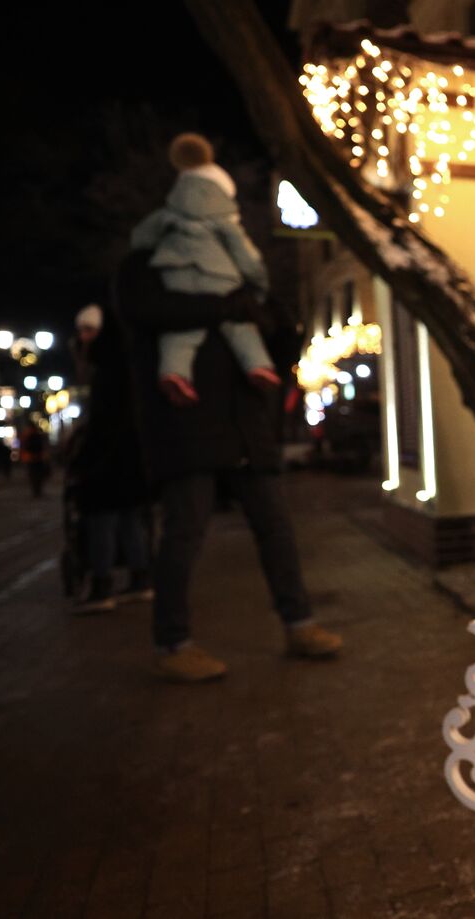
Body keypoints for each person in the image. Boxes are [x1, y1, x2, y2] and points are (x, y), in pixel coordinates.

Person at [116, 137, 341, 683]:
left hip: (246, 422)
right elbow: (144, 312)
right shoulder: (147, 259)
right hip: (187, 420)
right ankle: (173, 643)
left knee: (276, 527)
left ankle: (299, 623)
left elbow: (277, 349)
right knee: (185, 531)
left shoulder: (242, 270)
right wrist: (223, 305)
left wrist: (277, 326)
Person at [128, 133, 279, 406]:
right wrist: (259, 284)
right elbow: (245, 255)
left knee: (181, 330)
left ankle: (174, 373)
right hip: (218, 275)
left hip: (174, 271)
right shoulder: (224, 219)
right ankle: (258, 366)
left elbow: (141, 236)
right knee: (238, 324)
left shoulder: (170, 211)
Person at [65, 303, 154, 614]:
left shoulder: (106, 370)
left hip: (108, 460)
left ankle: (102, 584)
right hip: (129, 458)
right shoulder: (126, 365)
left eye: (88, 331)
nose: (83, 337)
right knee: (129, 519)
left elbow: (104, 422)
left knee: (101, 520)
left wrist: (84, 461)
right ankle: (140, 578)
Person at [18, 418, 50, 497]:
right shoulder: (33, 435)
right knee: (36, 476)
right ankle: (37, 490)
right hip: (34, 458)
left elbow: (26, 446)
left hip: (33, 458)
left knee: (35, 475)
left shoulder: (30, 435)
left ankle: (37, 490)